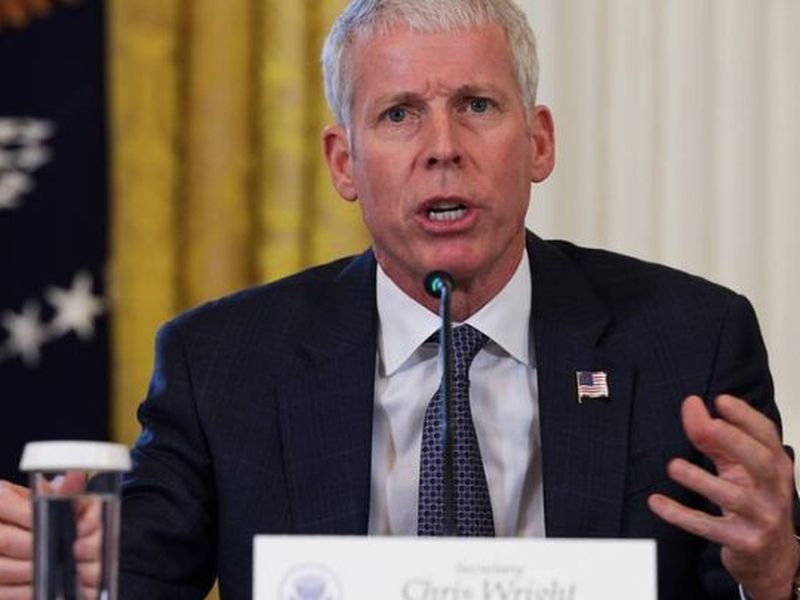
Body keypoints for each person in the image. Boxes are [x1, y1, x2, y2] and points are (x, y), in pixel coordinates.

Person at [1, 0, 799, 598]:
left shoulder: (689, 341)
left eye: (477, 106)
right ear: (344, 163)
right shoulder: (223, 362)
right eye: (399, 114)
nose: (443, 149)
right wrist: (81, 570)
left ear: (538, 142)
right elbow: (137, 571)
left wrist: (774, 573)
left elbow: (756, 568)